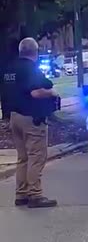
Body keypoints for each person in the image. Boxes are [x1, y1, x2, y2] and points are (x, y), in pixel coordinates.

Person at [2, 38, 59, 208]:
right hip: (31, 117)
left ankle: (21, 194)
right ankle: (35, 194)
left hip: (14, 117)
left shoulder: (8, 69)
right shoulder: (30, 69)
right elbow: (36, 92)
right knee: (36, 156)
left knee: (23, 158)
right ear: (36, 52)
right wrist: (51, 92)